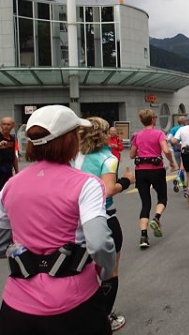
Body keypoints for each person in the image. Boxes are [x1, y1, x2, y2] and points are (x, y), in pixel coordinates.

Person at [0, 105, 116, 334]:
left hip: (16, 307)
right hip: (74, 304)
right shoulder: (86, 184)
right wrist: (106, 271)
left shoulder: (11, 185)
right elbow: (100, 243)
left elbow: (1, 241)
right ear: (70, 141)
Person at [74, 117, 135, 332]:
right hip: (103, 218)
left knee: (81, 269)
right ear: (103, 135)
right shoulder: (107, 158)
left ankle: (80, 313)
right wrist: (126, 181)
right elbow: (107, 190)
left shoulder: (73, 155)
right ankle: (104, 318)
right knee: (109, 271)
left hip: (74, 220)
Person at [130, 109, 177, 249]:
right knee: (162, 198)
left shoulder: (137, 135)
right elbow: (166, 150)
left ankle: (143, 236)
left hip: (140, 171)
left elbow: (132, 155)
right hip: (156, 170)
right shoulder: (159, 133)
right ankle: (156, 218)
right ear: (152, 120)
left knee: (145, 204)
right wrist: (171, 162)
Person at [167, 115, 187, 192]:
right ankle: (178, 179)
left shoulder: (173, 129)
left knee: (180, 168)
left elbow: (168, 139)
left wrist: (174, 144)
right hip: (184, 150)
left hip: (176, 151)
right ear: (185, 122)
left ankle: (184, 185)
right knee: (182, 168)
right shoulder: (186, 129)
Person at [0, 117, 19, 192]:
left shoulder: (12, 139)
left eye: (8, 124)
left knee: (7, 191)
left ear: (13, 126)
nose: (6, 126)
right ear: (0, 125)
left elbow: (14, 155)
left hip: (8, 171)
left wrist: (17, 171)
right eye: (4, 124)